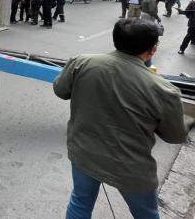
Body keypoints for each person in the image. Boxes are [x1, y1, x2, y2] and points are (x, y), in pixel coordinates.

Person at [54, 19, 192, 219]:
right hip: (132, 169)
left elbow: (60, 90)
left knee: (80, 202)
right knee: (147, 214)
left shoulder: (82, 62)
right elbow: (174, 135)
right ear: (152, 50)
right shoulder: (163, 89)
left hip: (84, 153)